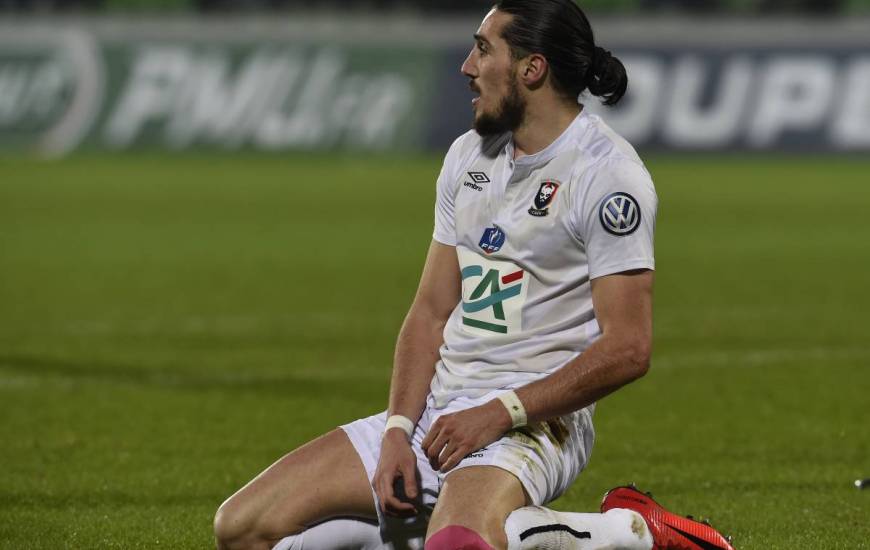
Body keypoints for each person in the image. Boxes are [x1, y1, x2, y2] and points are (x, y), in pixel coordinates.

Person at [213, 1, 735, 549]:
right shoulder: (468, 156)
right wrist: (397, 431)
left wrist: (501, 411)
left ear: (532, 69)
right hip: (440, 414)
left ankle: (626, 534)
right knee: (243, 529)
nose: (466, 66)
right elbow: (430, 312)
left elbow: (629, 347)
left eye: (484, 50)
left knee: (457, 546)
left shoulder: (609, 177)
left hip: (532, 424)